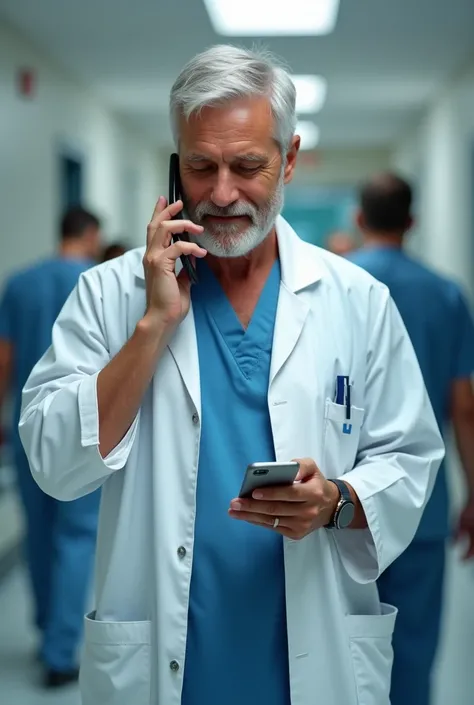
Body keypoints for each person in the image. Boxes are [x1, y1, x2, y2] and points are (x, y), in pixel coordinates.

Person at [19, 46, 444, 705]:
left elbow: (411, 457)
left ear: (291, 159)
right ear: (175, 162)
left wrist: (335, 500)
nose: (221, 193)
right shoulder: (109, 294)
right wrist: (153, 324)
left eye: (247, 166)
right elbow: (53, 459)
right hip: (162, 658)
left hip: (311, 654)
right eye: (200, 165)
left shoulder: (357, 299)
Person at [349, 172, 474, 705]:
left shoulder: (339, 284)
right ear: (413, 221)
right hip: (422, 502)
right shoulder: (446, 294)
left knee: (341, 648)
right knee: (413, 651)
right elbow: (463, 406)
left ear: (358, 219)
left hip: (344, 502)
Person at [0, 206, 103, 688]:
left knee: (37, 533)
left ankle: (46, 633)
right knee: (76, 537)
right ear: (91, 235)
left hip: (27, 429)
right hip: (84, 430)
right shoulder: (100, 282)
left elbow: (6, 358)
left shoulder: (20, 283)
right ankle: (62, 651)